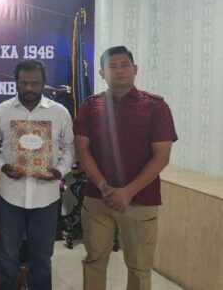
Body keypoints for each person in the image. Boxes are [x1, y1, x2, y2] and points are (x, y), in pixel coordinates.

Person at [74, 46, 177, 290]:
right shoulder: (90, 106)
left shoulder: (155, 106)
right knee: (94, 260)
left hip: (141, 199)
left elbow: (162, 155)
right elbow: (82, 150)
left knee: (140, 267)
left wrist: (128, 191)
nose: (119, 71)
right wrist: (104, 187)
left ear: (135, 69)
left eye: (124, 65)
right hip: (98, 197)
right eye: (112, 66)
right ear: (102, 73)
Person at [0, 59, 74, 290]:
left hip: (46, 197)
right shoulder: (2, 111)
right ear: (16, 82)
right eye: (24, 83)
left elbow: (71, 147)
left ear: (44, 82)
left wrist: (59, 171)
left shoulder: (59, 112)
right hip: (10, 196)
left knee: (42, 258)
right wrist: (3, 166)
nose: (30, 88)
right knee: (7, 257)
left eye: (35, 83)